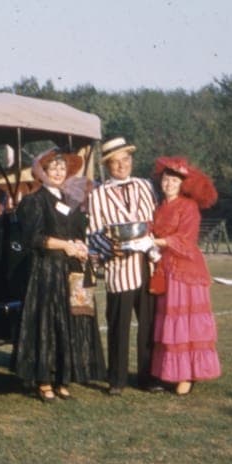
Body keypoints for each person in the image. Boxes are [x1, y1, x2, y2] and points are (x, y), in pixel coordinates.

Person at [14, 148, 105, 402]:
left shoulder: (70, 201)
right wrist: (64, 245)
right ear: (42, 172)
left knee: (69, 323)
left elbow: (78, 232)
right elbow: (34, 238)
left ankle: (63, 379)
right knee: (47, 324)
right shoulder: (33, 201)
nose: (57, 172)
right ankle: (43, 380)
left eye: (61, 168)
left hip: (70, 270)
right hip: (46, 270)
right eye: (52, 168)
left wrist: (81, 246)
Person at [87, 137, 161, 395]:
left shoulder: (146, 186)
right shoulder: (98, 194)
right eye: (116, 162)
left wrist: (152, 245)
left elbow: (156, 221)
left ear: (132, 161)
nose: (122, 166)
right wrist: (113, 248)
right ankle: (116, 380)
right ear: (107, 166)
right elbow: (93, 232)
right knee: (119, 324)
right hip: (119, 267)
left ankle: (148, 377)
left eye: (126, 160)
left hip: (147, 264)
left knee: (149, 325)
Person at [148, 156, 221, 395]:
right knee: (170, 322)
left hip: (186, 272)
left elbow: (185, 240)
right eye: (166, 179)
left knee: (186, 323)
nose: (168, 183)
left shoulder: (188, 207)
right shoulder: (160, 207)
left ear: (183, 184)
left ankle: (188, 375)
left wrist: (155, 241)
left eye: (174, 180)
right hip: (166, 269)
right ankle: (173, 372)